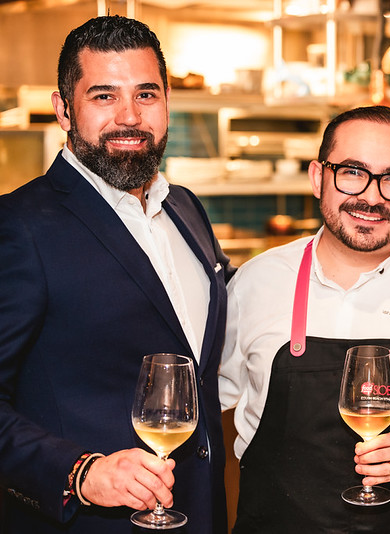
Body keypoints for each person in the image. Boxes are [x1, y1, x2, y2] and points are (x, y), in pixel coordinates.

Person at [0, 16, 234, 534]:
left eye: (146, 94)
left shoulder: (185, 207)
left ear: (167, 102)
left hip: (199, 513)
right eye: (104, 96)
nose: (130, 116)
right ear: (64, 109)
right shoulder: (17, 226)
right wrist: (79, 473)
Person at [219, 105, 390, 533]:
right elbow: (201, 405)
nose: (372, 196)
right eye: (352, 172)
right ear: (317, 178)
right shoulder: (256, 284)